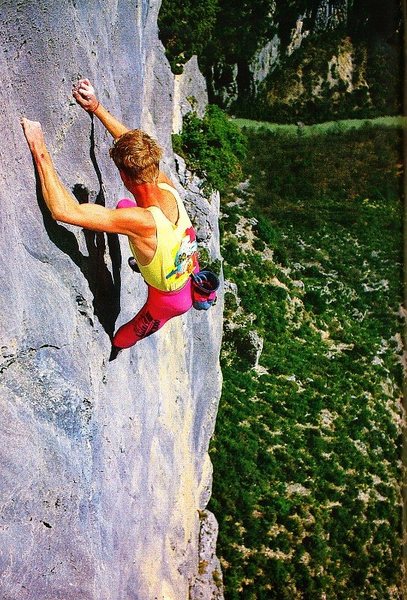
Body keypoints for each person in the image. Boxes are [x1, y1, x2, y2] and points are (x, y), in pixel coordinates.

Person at [21, 78, 199, 360]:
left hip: (170, 299)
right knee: (124, 205)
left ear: (124, 176)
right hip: (185, 260)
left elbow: (64, 212)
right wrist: (97, 107)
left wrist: (38, 148)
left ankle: (119, 346)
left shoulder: (141, 222)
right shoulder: (165, 184)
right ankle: (149, 259)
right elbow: (136, 149)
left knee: (124, 335)